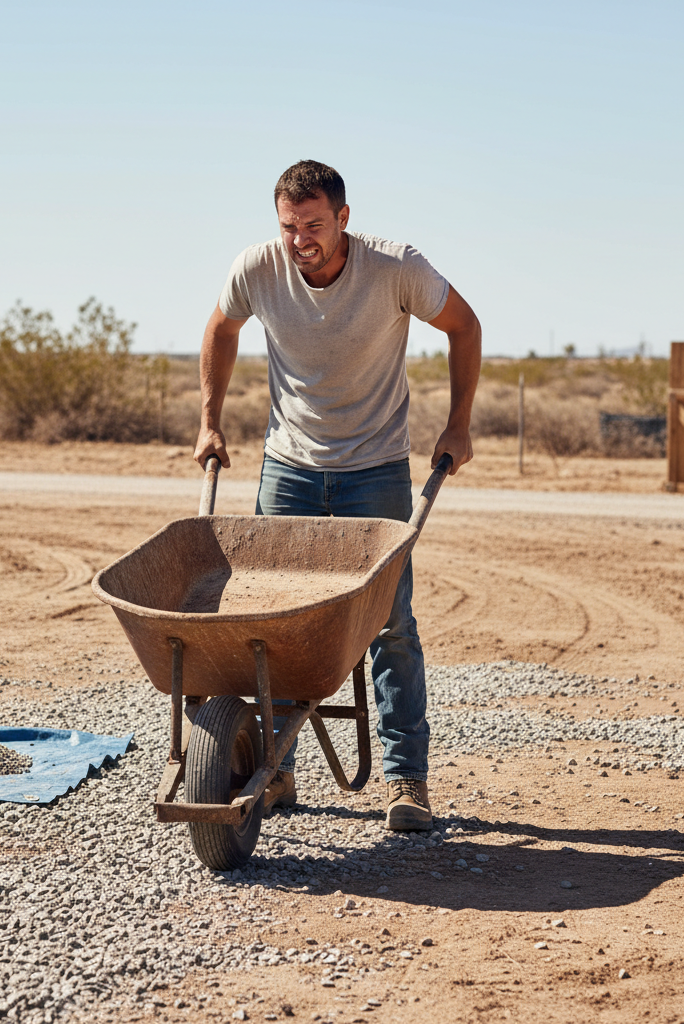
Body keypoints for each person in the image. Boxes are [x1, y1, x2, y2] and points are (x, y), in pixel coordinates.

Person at [193, 159, 481, 831]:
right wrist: (210, 419)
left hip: (375, 466)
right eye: (289, 226)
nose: (300, 241)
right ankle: (276, 770)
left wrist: (459, 425)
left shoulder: (395, 268)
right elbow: (220, 329)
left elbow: (465, 326)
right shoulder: (257, 268)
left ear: (344, 219)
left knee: (390, 625)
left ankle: (407, 781)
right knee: (270, 622)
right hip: (289, 466)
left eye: (314, 225)